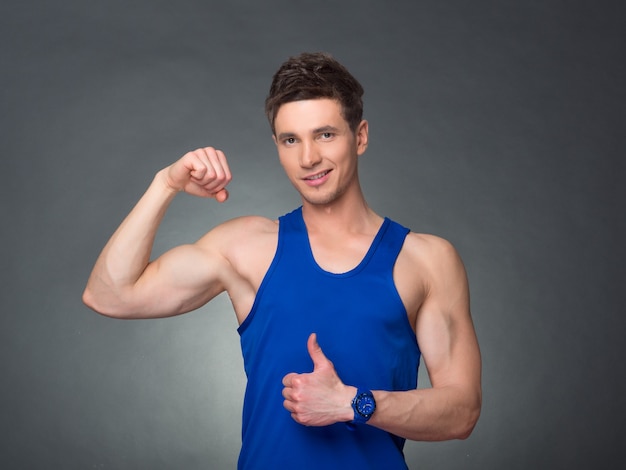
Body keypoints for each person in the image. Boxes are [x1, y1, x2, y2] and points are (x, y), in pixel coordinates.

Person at [83, 52, 482, 469]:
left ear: (360, 136)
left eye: (325, 135)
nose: (307, 157)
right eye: (291, 140)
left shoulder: (426, 260)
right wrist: (165, 183)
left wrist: (352, 403)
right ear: (277, 146)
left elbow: (462, 411)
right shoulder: (246, 247)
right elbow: (110, 295)